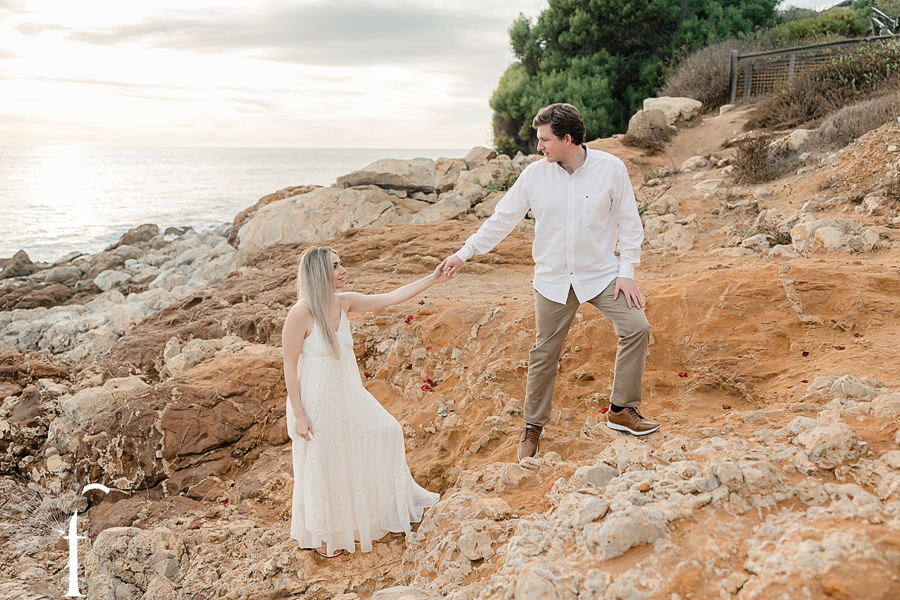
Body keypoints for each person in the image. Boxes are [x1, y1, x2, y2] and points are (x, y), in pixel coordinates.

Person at [439, 103, 659, 462]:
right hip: (553, 279)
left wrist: (627, 272)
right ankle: (533, 426)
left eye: (544, 139)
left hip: (601, 274)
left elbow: (630, 224)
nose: (538, 147)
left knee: (637, 327)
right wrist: (464, 253)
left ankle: (621, 410)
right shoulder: (534, 176)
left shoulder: (611, 169)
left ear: (567, 139)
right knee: (545, 353)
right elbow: (502, 219)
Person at [282, 246, 449, 557]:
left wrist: (431, 278)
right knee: (323, 462)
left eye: (341, 263)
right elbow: (289, 366)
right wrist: (300, 414)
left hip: (348, 395)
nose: (343, 270)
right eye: (335, 266)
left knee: (389, 430)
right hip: (314, 401)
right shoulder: (301, 313)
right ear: (320, 273)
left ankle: (383, 508)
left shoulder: (344, 302)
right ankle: (321, 537)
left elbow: (390, 297)